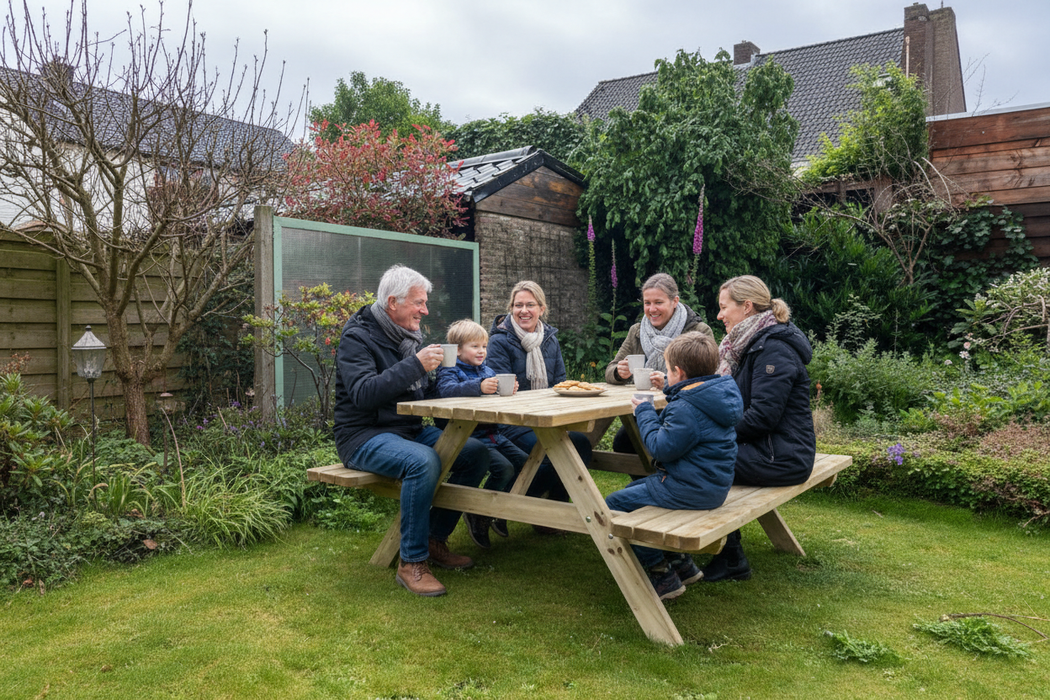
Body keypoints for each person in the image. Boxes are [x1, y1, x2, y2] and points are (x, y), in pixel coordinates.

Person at [333, 264, 492, 597]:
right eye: (419, 302)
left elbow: (424, 394)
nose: (425, 310)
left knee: (475, 453)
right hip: (362, 436)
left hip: (407, 430)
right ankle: (412, 563)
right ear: (393, 302)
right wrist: (416, 364)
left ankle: (434, 539)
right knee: (422, 462)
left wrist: (473, 386)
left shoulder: (407, 338)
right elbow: (364, 394)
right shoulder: (357, 337)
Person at [605, 332, 743, 600]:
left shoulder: (686, 407)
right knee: (635, 489)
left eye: (667, 370)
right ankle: (682, 565)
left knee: (614, 503)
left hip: (688, 488)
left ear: (678, 372)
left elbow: (660, 448)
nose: (666, 375)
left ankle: (660, 574)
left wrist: (644, 412)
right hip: (711, 485)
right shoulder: (716, 394)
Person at [701, 275, 817, 583]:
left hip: (782, 456)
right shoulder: (747, 345)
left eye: (724, 307)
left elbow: (762, 417)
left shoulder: (773, 350)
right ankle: (697, 550)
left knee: (700, 460)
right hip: (767, 448)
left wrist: (709, 433)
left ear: (747, 307)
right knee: (692, 452)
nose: (719, 315)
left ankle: (729, 556)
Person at [487, 280, 593, 507]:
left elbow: (560, 384)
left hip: (546, 419)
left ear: (541, 309)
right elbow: (501, 390)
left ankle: (555, 510)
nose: (523, 311)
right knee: (549, 454)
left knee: (581, 443)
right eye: (518, 305)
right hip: (511, 421)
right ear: (511, 308)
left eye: (530, 305)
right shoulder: (498, 342)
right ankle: (502, 504)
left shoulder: (550, 340)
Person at [436, 319, 528, 548]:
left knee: (525, 463)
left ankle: (492, 510)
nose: (481, 351)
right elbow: (446, 391)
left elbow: (492, 396)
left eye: (484, 346)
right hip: (470, 437)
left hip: (494, 433)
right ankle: (479, 513)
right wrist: (479, 386)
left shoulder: (487, 370)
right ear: (457, 350)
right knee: (504, 468)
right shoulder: (449, 370)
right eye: (474, 346)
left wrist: (506, 391)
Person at [604, 273, 715, 454]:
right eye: (647, 303)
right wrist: (619, 372)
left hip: (682, 411)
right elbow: (610, 369)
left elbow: (709, 379)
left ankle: (660, 478)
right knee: (624, 443)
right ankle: (653, 478)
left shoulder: (698, 331)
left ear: (674, 301)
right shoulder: (637, 331)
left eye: (658, 302)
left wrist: (671, 384)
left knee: (634, 442)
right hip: (644, 408)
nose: (652, 309)